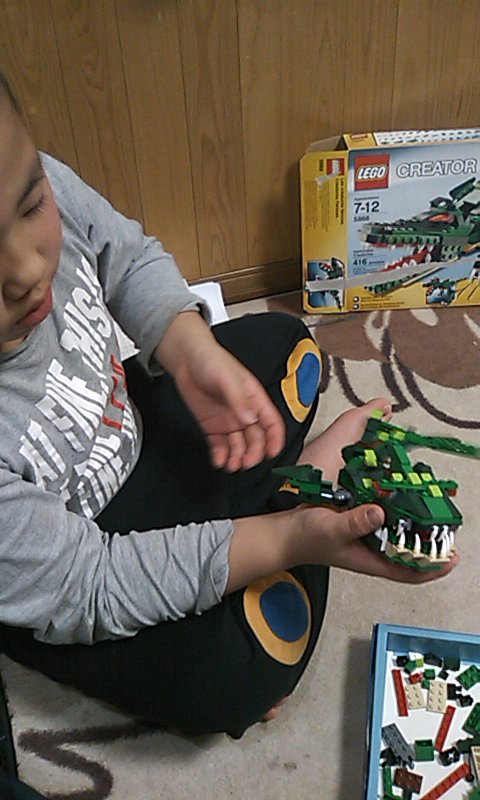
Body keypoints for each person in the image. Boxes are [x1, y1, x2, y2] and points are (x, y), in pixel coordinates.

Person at [0, 68, 459, 758]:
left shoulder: (29, 176)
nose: (26, 269)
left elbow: (127, 258)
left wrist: (188, 351)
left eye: (31, 205)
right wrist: (291, 540)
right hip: (76, 560)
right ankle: (290, 508)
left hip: (134, 432)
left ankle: (277, 513)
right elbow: (90, 586)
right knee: (233, 673)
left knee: (286, 346)